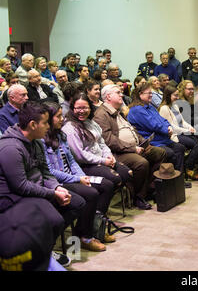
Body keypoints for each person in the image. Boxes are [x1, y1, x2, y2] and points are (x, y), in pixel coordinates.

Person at [0, 101, 86, 266]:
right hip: (13, 197)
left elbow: (45, 172)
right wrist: (52, 194)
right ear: (33, 124)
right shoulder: (10, 148)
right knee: (55, 220)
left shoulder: (37, 141)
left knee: (77, 203)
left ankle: (44, 246)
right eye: (45, 122)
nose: (49, 126)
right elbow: (21, 186)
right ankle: (39, 252)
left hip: (36, 189)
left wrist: (57, 187)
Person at [42, 101, 113, 251]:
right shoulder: (41, 140)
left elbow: (72, 161)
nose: (62, 119)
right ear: (48, 118)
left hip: (74, 177)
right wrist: (77, 179)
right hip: (59, 182)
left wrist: (83, 177)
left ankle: (96, 227)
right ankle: (85, 236)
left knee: (106, 185)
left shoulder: (60, 135)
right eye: (58, 116)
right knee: (92, 193)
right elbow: (49, 171)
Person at [93, 85, 166, 209]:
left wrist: (144, 142)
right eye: (118, 92)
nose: (122, 95)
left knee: (160, 153)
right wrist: (133, 148)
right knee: (141, 163)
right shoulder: (101, 114)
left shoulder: (118, 111)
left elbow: (132, 130)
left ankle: (148, 188)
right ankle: (137, 197)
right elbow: (109, 140)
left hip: (134, 147)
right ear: (108, 96)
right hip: (117, 153)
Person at [62, 93, 132, 201]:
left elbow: (101, 143)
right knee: (115, 178)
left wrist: (108, 155)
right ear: (72, 109)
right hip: (86, 165)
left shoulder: (91, 122)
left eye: (85, 107)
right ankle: (98, 210)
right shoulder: (70, 128)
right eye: (78, 108)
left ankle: (102, 203)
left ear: (90, 108)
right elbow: (79, 155)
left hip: (102, 159)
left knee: (127, 173)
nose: (82, 111)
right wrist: (103, 161)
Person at [159, 85, 198, 180]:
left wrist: (190, 128)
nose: (177, 98)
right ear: (168, 95)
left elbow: (182, 121)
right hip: (175, 135)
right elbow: (170, 126)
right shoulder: (164, 109)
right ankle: (192, 166)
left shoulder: (174, 106)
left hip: (183, 132)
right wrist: (187, 130)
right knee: (197, 143)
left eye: (178, 95)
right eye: (175, 95)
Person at [127, 83, 186, 176]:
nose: (151, 95)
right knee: (170, 153)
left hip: (162, 139)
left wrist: (169, 126)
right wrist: (167, 130)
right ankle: (166, 180)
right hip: (153, 142)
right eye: (149, 93)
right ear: (140, 94)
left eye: (151, 93)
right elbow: (153, 125)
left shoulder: (150, 107)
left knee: (180, 148)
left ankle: (178, 178)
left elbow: (162, 119)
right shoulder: (137, 110)